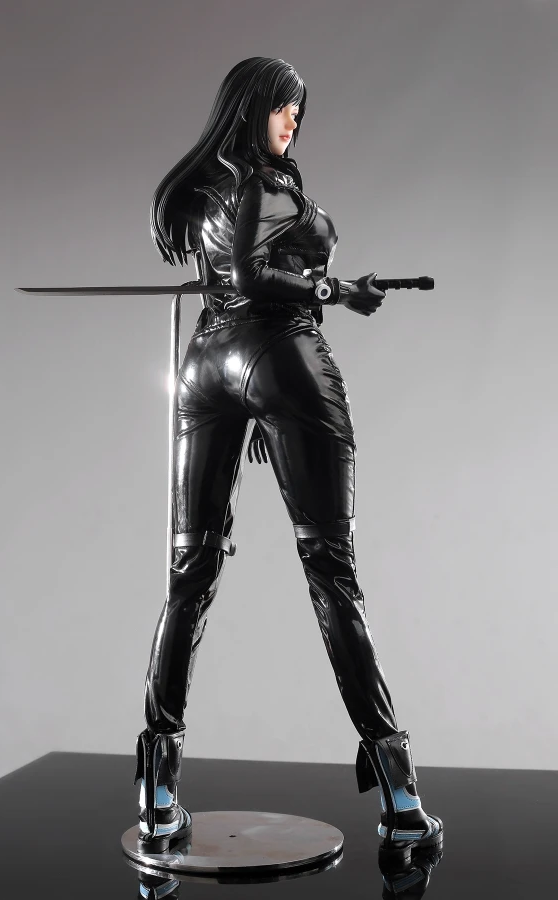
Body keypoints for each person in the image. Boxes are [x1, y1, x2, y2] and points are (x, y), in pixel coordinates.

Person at [133, 56, 442, 868]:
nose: (294, 121)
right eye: (284, 107)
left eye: (298, 111)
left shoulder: (204, 189)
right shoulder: (262, 184)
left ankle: (157, 787)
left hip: (208, 368)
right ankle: (401, 795)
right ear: (253, 106)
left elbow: (224, 282)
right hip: (282, 360)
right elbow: (250, 274)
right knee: (331, 571)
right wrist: (335, 292)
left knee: (189, 572)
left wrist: (254, 398)